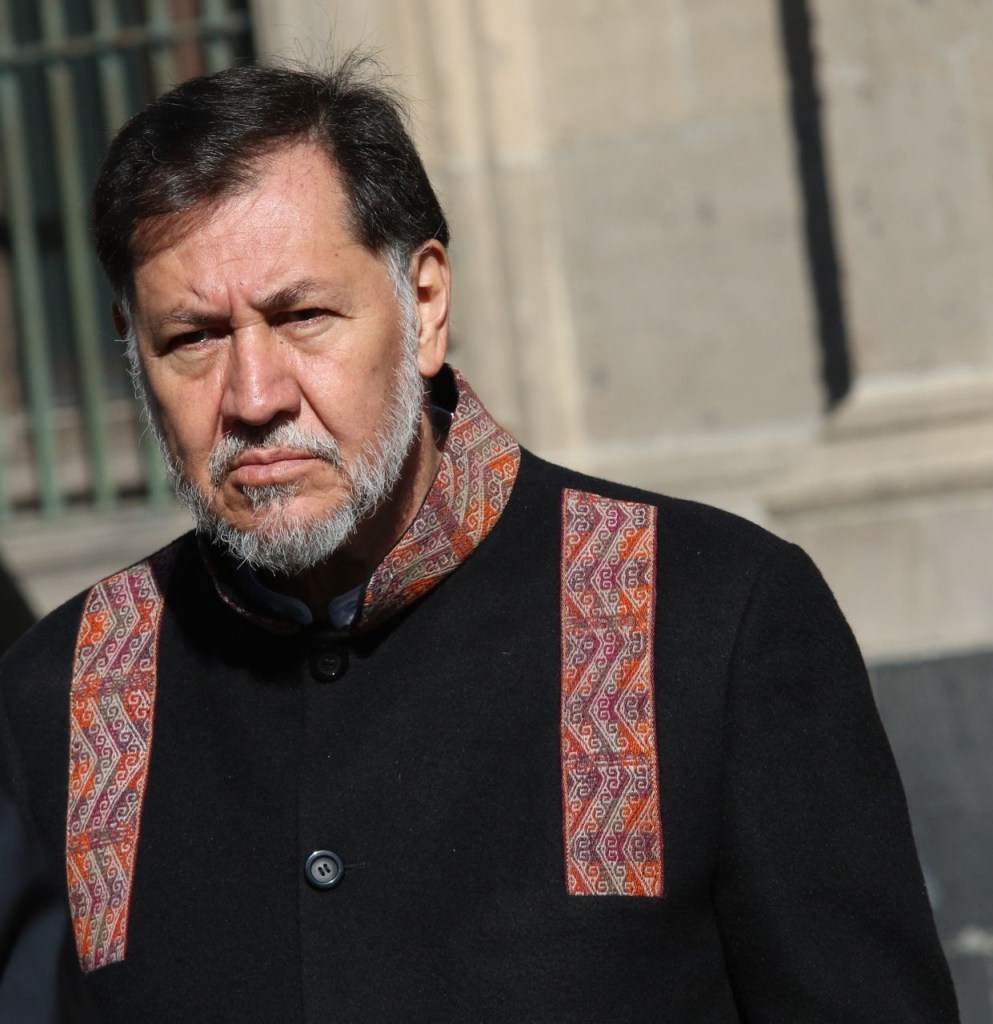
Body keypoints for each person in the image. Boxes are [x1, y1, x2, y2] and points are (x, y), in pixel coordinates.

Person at [0, 57, 959, 1022]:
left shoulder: (712, 618)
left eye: (302, 317)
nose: (254, 398)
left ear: (423, 304)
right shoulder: (56, 697)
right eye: (193, 339)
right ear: (132, 351)